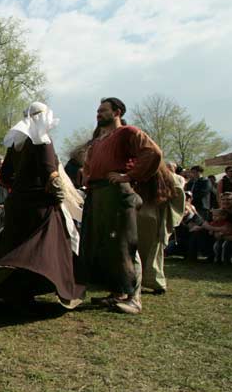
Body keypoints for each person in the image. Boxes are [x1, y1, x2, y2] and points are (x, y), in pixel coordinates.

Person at [0, 102, 85, 308]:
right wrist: (57, 193)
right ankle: (63, 288)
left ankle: (18, 291)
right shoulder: (42, 139)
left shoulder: (17, 142)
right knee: (41, 251)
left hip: (18, 205)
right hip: (40, 206)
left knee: (22, 248)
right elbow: (49, 173)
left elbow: (5, 176)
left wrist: (20, 186)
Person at [79, 97, 162, 314]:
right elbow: (88, 166)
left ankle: (134, 299)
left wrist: (129, 176)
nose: (98, 114)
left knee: (126, 245)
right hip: (99, 196)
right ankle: (116, 294)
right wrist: (88, 178)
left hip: (118, 194)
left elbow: (153, 153)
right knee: (107, 248)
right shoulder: (98, 140)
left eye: (103, 110)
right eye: (97, 110)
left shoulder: (128, 132)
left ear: (117, 112)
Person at [135, 162, 185, 295]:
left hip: (154, 216)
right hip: (143, 216)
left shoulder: (166, 177)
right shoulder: (139, 173)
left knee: (153, 251)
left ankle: (154, 282)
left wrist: (169, 215)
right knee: (146, 251)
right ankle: (146, 281)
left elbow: (178, 195)